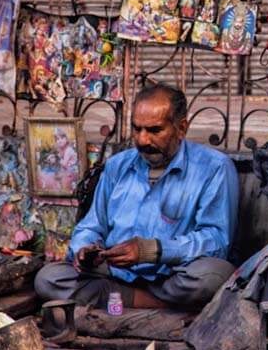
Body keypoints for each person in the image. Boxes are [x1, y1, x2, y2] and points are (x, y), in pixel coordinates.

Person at [35, 84, 239, 310]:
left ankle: (126, 300)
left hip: (172, 276)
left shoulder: (214, 168)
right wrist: (85, 250)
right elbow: (92, 225)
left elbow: (216, 241)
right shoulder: (117, 165)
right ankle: (152, 303)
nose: (142, 140)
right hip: (116, 274)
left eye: (154, 130)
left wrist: (151, 251)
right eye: (136, 129)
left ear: (181, 128)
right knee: (49, 279)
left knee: (213, 276)